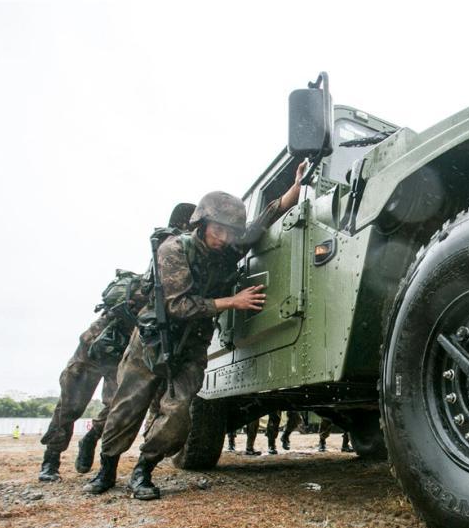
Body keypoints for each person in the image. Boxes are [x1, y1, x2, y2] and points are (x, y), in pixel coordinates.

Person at [85, 160, 308, 500]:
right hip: (154, 338)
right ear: (202, 223)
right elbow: (178, 305)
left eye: (230, 231)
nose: (224, 238)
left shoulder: (231, 245)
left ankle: (144, 469)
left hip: (193, 344)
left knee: (178, 415)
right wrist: (231, 302)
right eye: (218, 229)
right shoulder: (173, 250)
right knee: (127, 407)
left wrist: (295, 186)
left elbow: (269, 215)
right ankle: (107, 468)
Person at [37, 203, 195, 482]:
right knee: (71, 404)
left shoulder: (179, 267)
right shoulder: (163, 259)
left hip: (124, 353)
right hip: (95, 346)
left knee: (115, 408)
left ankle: (90, 441)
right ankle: (51, 460)